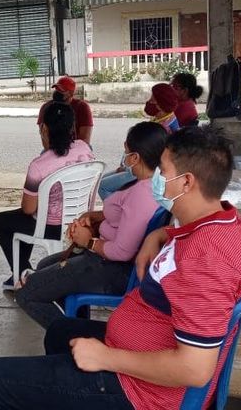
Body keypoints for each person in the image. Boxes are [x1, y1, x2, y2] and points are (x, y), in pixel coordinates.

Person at [0, 125, 241, 410]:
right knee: (60, 331)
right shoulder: (217, 222)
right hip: (141, 349)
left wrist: (105, 358)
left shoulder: (206, 260)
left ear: (186, 183)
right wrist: (157, 235)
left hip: (142, 394)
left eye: (163, 170)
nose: (156, 177)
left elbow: (194, 369)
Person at [15, 122, 167, 329]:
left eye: (126, 151)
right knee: (44, 265)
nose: (124, 157)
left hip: (113, 269)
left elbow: (122, 252)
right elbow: (129, 217)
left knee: (26, 292)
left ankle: (74, 338)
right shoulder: (153, 184)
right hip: (108, 261)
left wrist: (88, 242)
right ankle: (78, 322)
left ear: (135, 157)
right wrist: (96, 217)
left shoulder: (142, 193)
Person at [0, 103, 94, 291]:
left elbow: (28, 209)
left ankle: (24, 272)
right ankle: (21, 271)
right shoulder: (84, 148)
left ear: (44, 128)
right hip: (80, 221)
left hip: (51, 228)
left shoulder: (39, 165)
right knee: (20, 221)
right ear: (72, 127)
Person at [37, 76, 93, 145]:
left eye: (61, 90)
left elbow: (85, 140)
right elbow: (44, 138)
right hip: (53, 147)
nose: (57, 92)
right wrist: (54, 150)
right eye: (56, 89)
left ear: (71, 93)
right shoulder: (46, 107)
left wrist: (71, 151)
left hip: (77, 147)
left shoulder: (82, 107)